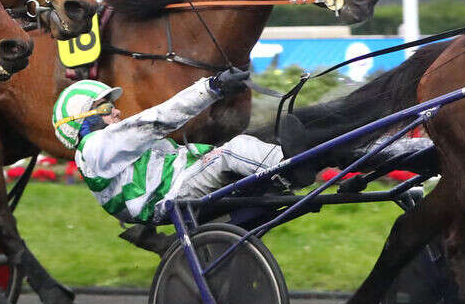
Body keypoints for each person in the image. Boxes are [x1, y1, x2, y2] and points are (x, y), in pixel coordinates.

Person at [52, 68, 303, 226]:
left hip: (174, 188)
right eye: (106, 109)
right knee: (233, 150)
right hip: (167, 199)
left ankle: (291, 163)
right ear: (83, 121)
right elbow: (157, 120)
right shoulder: (96, 147)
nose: (116, 111)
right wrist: (211, 88)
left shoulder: (107, 150)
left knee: (230, 150)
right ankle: (295, 165)